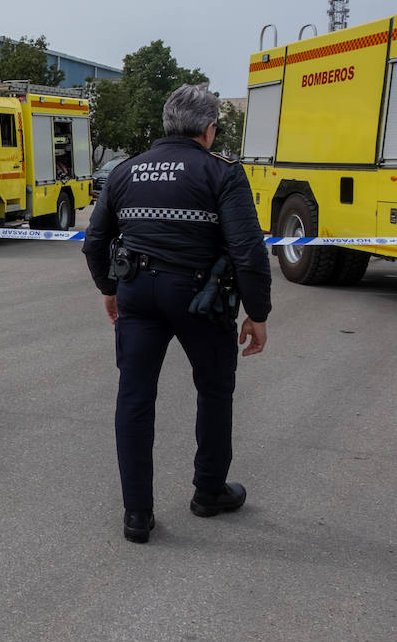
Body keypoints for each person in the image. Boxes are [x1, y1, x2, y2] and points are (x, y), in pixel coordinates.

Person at [82, 84, 272, 544]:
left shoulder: (125, 171)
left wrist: (109, 288)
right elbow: (247, 251)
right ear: (208, 129)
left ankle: (136, 514)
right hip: (199, 297)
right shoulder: (222, 172)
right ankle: (209, 492)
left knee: (134, 397)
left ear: (167, 124)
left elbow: (94, 241)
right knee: (214, 390)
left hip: (137, 293)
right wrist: (258, 312)